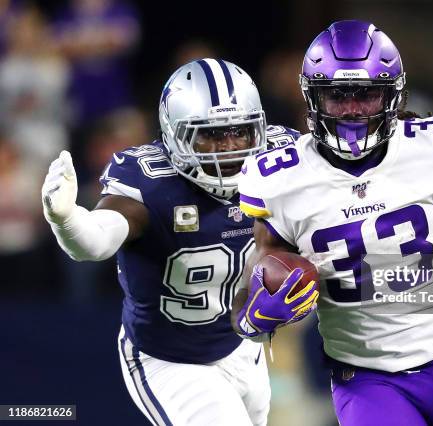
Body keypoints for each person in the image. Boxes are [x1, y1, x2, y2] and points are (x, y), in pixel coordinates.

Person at [234, 21, 433, 425]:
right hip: (366, 379)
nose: (352, 109)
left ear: (393, 94)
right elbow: (253, 282)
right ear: (312, 96)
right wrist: (253, 316)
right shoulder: (279, 180)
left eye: (367, 95)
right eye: (338, 96)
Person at [41, 58, 316, 426]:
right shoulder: (151, 184)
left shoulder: (279, 160)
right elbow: (95, 242)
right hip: (170, 360)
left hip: (241, 347)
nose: (229, 148)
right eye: (211, 134)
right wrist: (67, 219)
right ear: (175, 135)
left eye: (239, 131)